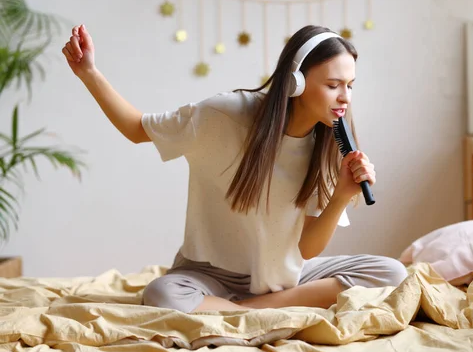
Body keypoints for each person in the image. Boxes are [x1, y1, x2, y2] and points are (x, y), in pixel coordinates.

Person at [62, 23, 408, 312]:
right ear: (295, 83)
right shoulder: (223, 116)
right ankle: (268, 308)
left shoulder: (331, 144)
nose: (345, 97)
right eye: (333, 86)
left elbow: (305, 249)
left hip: (284, 275)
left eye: (350, 86)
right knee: (162, 295)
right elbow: (137, 129)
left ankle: (242, 312)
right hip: (210, 275)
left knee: (392, 273)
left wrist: (341, 195)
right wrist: (88, 72)